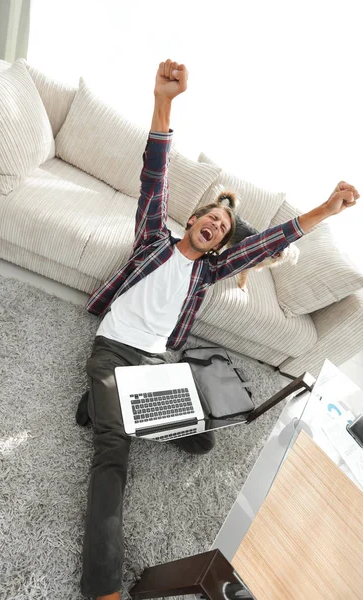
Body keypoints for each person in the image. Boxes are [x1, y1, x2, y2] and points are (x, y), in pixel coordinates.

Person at [77, 59, 360, 600]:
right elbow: (153, 176)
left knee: (202, 440)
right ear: (195, 219)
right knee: (114, 454)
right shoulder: (154, 241)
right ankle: (103, 588)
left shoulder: (210, 270)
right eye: (212, 217)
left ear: (222, 245)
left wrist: (326, 208)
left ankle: (98, 406)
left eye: (225, 229)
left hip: (155, 365)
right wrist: (164, 103)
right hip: (114, 352)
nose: (217, 225)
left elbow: (266, 244)